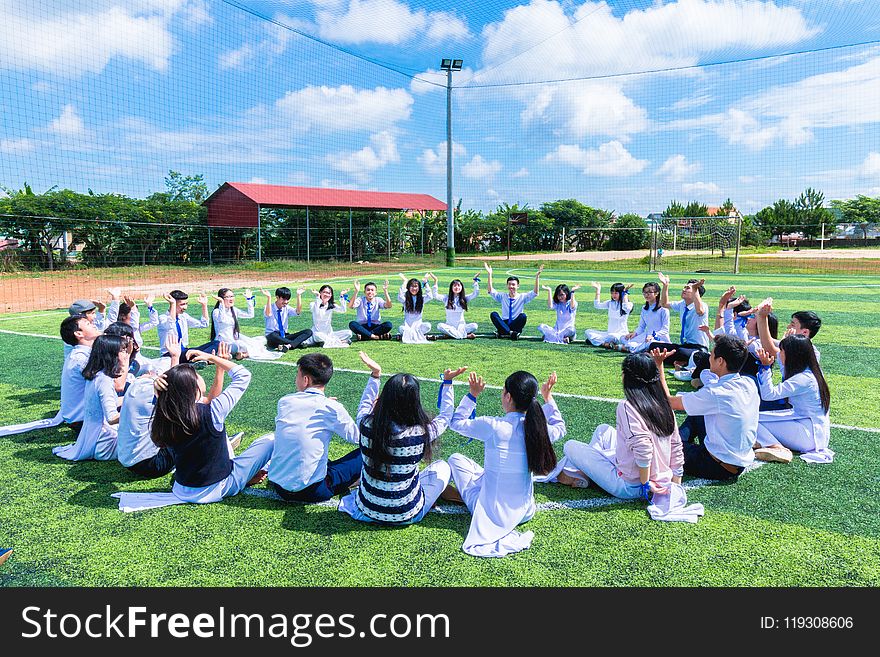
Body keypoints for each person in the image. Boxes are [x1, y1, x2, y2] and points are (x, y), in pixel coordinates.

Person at [112, 347, 273, 512]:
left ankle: (242, 473)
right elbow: (243, 375)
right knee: (269, 440)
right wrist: (213, 358)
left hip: (181, 488)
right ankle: (272, 477)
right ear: (193, 387)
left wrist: (158, 385)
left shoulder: (166, 413)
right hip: (218, 487)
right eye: (196, 375)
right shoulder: (214, 411)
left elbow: (168, 397)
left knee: (218, 433)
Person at [442, 370, 566, 557]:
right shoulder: (539, 430)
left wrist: (472, 395)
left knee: (455, 459)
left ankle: (464, 496)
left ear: (508, 397)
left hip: (491, 513)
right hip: (525, 510)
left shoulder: (494, 426)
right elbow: (561, 428)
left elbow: (455, 422)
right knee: (484, 473)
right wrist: (548, 398)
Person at [338, 352, 466, 525]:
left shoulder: (366, 425)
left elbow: (365, 405)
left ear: (384, 399)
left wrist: (376, 375)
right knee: (443, 466)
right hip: (408, 513)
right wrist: (448, 383)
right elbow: (445, 416)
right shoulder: (422, 432)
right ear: (414, 402)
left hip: (366, 510)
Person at [554, 353, 684, 502]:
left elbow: (643, 448)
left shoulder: (627, 406)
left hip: (630, 486)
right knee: (603, 430)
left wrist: (645, 485)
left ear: (628, 377)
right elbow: (676, 447)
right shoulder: (664, 405)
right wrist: (675, 486)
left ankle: (583, 474)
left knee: (570, 446)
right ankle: (586, 474)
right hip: (656, 478)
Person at [650, 336, 757, 481]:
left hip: (717, 465)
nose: (709, 358)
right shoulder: (748, 383)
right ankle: (678, 440)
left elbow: (668, 401)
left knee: (660, 447)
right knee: (697, 413)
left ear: (720, 361)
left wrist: (658, 364)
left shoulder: (716, 393)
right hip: (736, 460)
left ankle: (674, 443)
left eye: (712, 355)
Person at [268, 353, 362, 503]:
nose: (296, 379)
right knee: (365, 452)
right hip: (314, 491)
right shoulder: (332, 408)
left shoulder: (284, 401)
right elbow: (359, 438)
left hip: (280, 488)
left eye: (297, 375)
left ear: (306, 380)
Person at [53, 334, 133, 461]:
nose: (126, 354)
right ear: (112, 355)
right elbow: (112, 418)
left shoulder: (97, 375)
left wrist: (135, 398)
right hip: (104, 443)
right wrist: (136, 412)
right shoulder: (104, 381)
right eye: (123, 351)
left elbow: (107, 402)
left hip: (92, 436)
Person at [755, 336, 833, 464]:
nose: (779, 354)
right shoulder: (811, 371)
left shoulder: (802, 379)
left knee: (751, 419)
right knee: (757, 417)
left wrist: (765, 368)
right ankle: (761, 441)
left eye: (782, 351)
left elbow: (768, 395)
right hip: (814, 432)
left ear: (793, 354)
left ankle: (776, 448)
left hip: (808, 436)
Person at [649, 273, 711, 366]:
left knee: (681, 352)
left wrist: (695, 289)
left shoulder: (702, 305)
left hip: (699, 349)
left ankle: (662, 358)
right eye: (684, 287)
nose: (684, 290)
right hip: (686, 345)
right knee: (653, 345)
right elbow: (664, 304)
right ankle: (678, 361)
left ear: (696, 292)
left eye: (688, 288)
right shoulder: (682, 304)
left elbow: (700, 311)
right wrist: (665, 285)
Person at [59, 314, 102, 436]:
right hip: (84, 421)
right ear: (79, 334)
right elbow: (114, 387)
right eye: (88, 324)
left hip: (78, 418)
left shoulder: (80, 354)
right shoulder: (83, 359)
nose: (93, 324)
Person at [485, 261, 543, 340]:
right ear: (507, 285)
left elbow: (535, 292)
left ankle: (503, 332)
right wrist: (489, 274)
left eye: (513, 284)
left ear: (518, 286)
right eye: (509, 284)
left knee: (523, 316)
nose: (511, 286)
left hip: (516, 324)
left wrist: (537, 277)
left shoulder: (522, 297)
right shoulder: (503, 296)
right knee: (493, 314)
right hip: (505, 323)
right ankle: (510, 333)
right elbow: (490, 290)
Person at [156, 289, 213, 359]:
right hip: (169, 354)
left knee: (216, 343)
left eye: (186, 304)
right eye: (182, 304)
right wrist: (173, 303)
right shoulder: (162, 318)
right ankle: (202, 358)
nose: (185, 307)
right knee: (196, 353)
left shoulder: (183, 316)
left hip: (184, 351)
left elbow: (204, 324)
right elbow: (171, 323)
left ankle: (200, 358)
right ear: (173, 303)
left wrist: (204, 305)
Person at [620, 282, 670, 353]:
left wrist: (653, 335)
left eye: (649, 292)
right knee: (623, 338)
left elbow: (665, 330)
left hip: (658, 338)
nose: (646, 295)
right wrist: (635, 333)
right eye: (645, 292)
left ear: (657, 293)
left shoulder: (664, 309)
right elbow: (641, 327)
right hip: (646, 336)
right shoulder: (644, 308)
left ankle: (630, 349)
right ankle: (636, 348)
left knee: (651, 344)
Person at [584, 281, 633, 347]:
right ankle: (605, 344)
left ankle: (600, 342)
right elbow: (597, 305)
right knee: (588, 332)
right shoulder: (610, 303)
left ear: (620, 293)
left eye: (616, 293)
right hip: (609, 334)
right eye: (612, 293)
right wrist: (598, 290)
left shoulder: (629, 304)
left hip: (621, 335)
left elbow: (626, 307)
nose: (613, 295)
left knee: (612, 337)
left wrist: (625, 294)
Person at [210, 287, 255, 359]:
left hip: (234, 339)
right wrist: (221, 304)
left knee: (253, 343)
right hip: (222, 342)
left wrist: (249, 300)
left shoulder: (233, 310)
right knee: (240, 345)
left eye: (232, 296)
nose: (231, 299)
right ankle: (234, 354)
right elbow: (223, 320)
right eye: (227, 297)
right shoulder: (217, 311)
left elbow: (250, 315)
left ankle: (239, 355)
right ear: (221, 299)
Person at [263, 287, 312, 352]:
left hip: (284, 336)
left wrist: (298, 295)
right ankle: (297, 344)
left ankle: (288, 345)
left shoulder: (287, 308)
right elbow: (268, 314)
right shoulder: (268, 307)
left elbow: (298, 312)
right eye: (283, 299)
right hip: (272, 338)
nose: (286, 302)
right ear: (277, 297)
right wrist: (269, 298)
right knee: (273, 335)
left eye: (287, 299)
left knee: (308, 331)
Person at [433, 273, 480, 340]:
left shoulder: (464, 298)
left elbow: (475, 293)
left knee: (475, 326)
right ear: (451, 288)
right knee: (439, 326)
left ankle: (452, 335)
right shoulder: (446, 298)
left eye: (458, 285)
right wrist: (435, 281)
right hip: (449, 327)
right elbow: (435, 295)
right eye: (454, 286)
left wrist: (475, 281)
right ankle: (465, 336)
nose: (457, 287)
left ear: (461, 287)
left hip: (462, 327)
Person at [395, 274, 434, 343]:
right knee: (401, 328)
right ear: (408, 288)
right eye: (412, 286)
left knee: (428, 326)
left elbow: (430, 296)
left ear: (419, 288)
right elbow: (400, 296)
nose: (414, 289)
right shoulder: (405, 299)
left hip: (419, 327)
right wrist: (405, 282)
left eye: (416, 286)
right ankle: (415, 335)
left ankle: (411, 335)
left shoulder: (422, 299)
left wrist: (425, 283)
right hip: (407, 327)